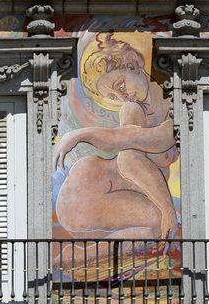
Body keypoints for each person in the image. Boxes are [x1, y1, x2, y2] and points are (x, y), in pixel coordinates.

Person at [53, 33, 178, 270]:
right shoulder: (132, 110)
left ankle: (79, 254)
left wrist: (80, 134)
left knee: (156, 224)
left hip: (107, 191)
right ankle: (76, 257)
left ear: (134, 64)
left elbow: (151, 139)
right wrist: (168, 209)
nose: (122, 97)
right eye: (113, 96)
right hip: (89, 190)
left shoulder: (172, 108)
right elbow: (129, 159)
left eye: (120, 86)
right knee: (156, 222)